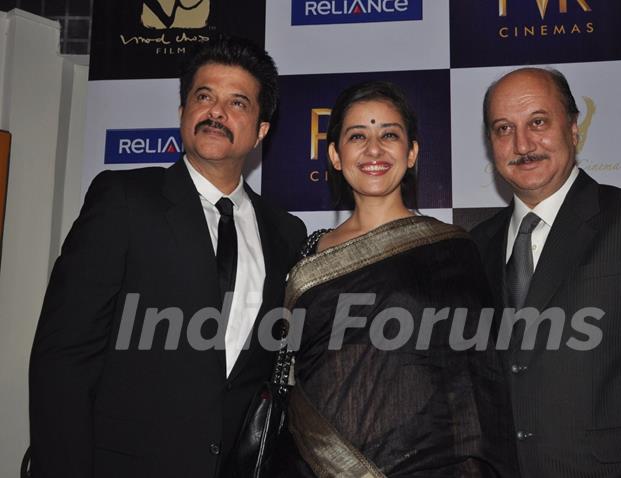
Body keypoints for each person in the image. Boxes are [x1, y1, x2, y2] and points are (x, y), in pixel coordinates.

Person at [29, 37, 306, 478]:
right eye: (204, 96)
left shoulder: (287, 233)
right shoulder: (123, 199)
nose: (216, 112)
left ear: (261, 131)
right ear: (182, 112)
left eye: (237, 102)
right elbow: (63, 357)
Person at [470, 67, 621, 477]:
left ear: (573, 128)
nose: (522, 143)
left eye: (538, 121)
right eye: (503, 128)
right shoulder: (475, 246)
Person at [282, 80, 519, 477]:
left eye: (389, 135)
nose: (374, 150)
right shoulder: (307, 255)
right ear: (335, 156)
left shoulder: (451, 251)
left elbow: (477, 391)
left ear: (411, 153)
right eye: (357, 136)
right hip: (318, 465)